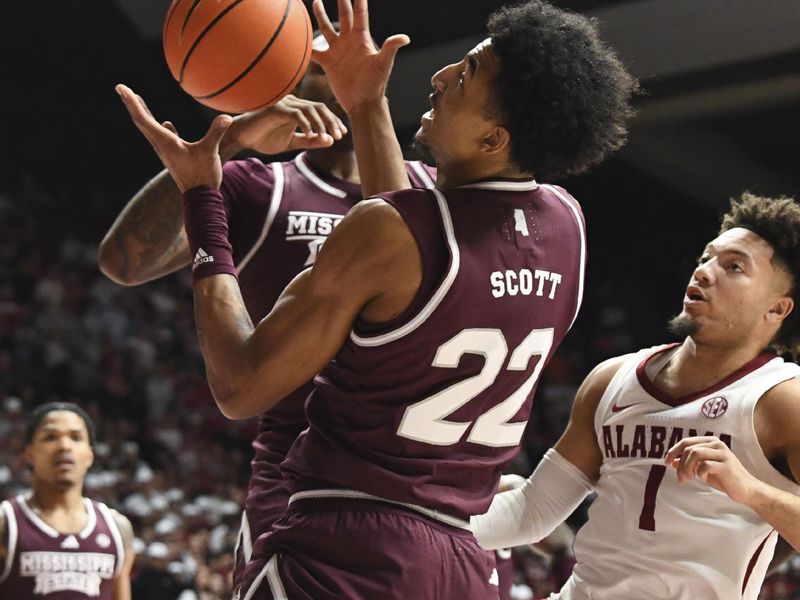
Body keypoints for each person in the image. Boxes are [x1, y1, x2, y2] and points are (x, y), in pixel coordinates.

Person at [115, 0, 636, 596]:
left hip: (346, 548)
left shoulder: (387, 233)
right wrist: (366, 101)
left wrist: (203, 199)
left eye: (465, 75)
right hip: (463, 553)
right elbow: (416, 251)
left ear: (494, 136)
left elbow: (238, 387)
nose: (440, 76)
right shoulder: (566, 225)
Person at [98, 30, 437, 591]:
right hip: (299, 470)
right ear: (291, 89)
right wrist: (231, 144)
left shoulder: (428, 193)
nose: (340, 84)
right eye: (321, 71)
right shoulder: (261, 186)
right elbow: (123, 262)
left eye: (350, 69)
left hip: (417, 476)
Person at [471, 193, 800, 600]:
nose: (704, 273)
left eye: (734, 267)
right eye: (705, 259)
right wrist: (415, 520)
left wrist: (750, 490)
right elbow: (531, 511)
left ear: (777, 308)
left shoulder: (784, 401)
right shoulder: (613, 378)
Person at [0, 402, 135, 599]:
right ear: (30, 453)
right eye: (51, 437)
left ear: (89, 455)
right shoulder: (6, 523)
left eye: (76, 437)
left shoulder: (117, 527)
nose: (64, 446)